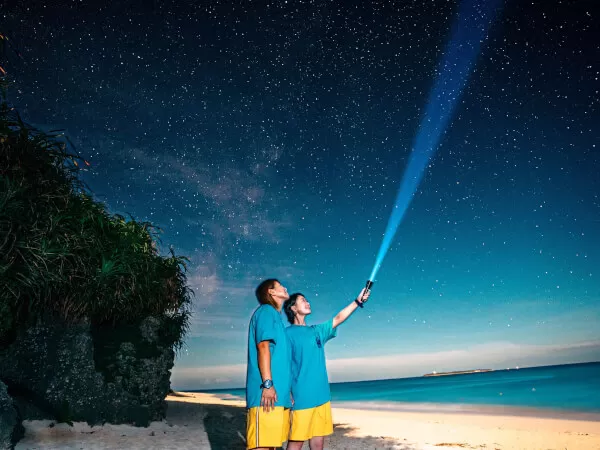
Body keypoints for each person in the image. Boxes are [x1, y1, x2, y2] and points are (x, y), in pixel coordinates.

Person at [283, 287, 371, 450]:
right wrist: (286, 391)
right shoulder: (286, 334)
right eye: (303, 300)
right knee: (296, 442)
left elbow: (338, 318)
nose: (308, 302)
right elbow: (283, 365)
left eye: (307, 300)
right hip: (302, 397)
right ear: (293, 308)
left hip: (322, 396)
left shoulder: (316, 331)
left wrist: (357, 301)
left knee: (318, 443)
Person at [245, 278, 293, 450]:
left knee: (271, 445)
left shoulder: (276, 317)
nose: (285, 287)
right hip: (266, 394)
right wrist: (267, 384)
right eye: (280, 286)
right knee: (262, 445)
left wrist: (287, 390)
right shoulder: (266, 311)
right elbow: (263, 347)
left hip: (279, 395)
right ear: (271, 292)